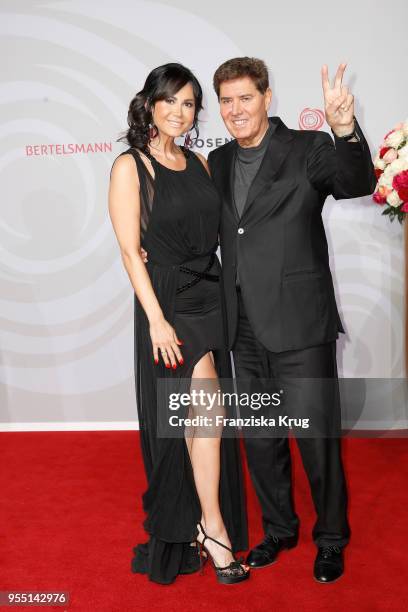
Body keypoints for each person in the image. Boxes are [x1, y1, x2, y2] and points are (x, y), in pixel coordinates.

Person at [207, 57, 377, 583]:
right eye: (227, 100)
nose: (236, 110)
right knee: (261, 438)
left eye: (246, 98)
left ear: (267, 97)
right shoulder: (214, 161)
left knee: (315, 438)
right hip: (242, 326)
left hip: (301, 325)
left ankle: (330, 538)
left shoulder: (306, 149)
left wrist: (343, 128)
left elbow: (355, 183)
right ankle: (279, 529)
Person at [108, 63, 249, 585]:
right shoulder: (131, 167)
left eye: (189, 104)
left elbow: (218, 230)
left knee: (202, 419)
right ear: (149, 103)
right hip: (168, 304)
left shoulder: (199, 163)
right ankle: (211, 527)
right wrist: (156, 322)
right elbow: (129, 251)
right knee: (201, 413)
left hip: (209, 297)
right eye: (170, 100)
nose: (179, 112)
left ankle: (203, 521)